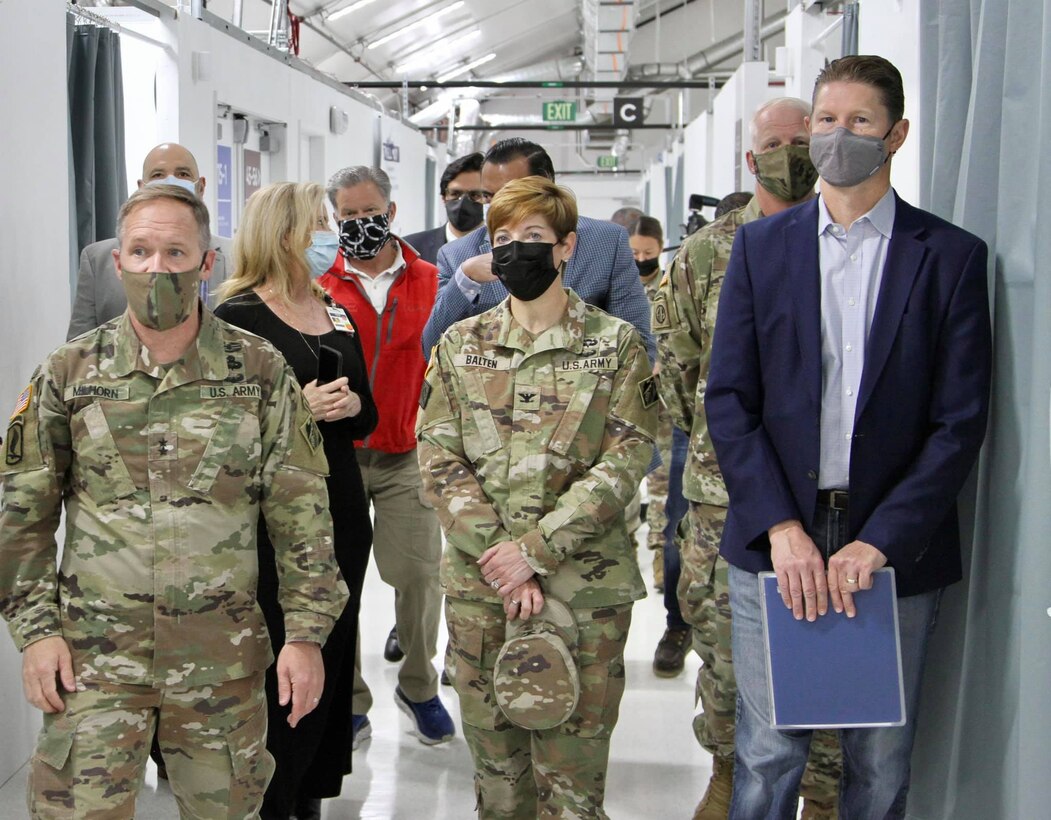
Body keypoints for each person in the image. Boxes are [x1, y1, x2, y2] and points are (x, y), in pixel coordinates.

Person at [0, 184, 348, 818]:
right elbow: (22, 514)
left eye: (175, 252)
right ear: (118, 263)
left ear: (206, 263)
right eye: (140, 251)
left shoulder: (260, 372)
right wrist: (35, 633)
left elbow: (302, 516)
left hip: (222, 661)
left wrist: (305, 635)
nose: (156, 268)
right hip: (95, 662)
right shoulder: (69, 373)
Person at [705, 56, 992, 818]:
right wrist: (782, 529)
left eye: (858, 122)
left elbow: (957, 421)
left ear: (895, 134)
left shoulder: (950, 258)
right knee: (767, 754)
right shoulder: (762, 250)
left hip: (891, 546)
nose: (837, 137)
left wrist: (880, 541)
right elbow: (729, 400)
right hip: (778, 537)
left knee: (881, 756)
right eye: (824, 122)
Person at [417, 176, 658, 817]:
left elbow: (628, 455)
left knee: (574, 784)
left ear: (566, 247)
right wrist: (501, 554)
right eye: (502, 239)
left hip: (584, 589)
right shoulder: (460, 346)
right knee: (498, 782)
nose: (516, 251)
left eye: (533, 238)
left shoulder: (615, 346)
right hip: (482, 590)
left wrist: (537, 550)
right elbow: (439, 458)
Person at [653, 97, 842, 819]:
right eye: (775, 141)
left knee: (827, 642)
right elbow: (675, 370)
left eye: (804, 138)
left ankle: (823, 792)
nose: (790, 152)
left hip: (823, 490)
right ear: (748, 158)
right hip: (722, 495)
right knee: (725, 649)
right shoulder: (706, 254)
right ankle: (728, 770)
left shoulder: (846, 238)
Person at [213, 182, 378, 820]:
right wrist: (293, 414)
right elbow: (217, 432)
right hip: (267, 519)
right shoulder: (235, 318)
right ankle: (268, 792)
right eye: (318, 223)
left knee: (331, 648)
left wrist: (352, 406)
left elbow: (366, 413)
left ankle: (309, 786)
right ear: (282, 233)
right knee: (277, 652)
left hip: (338, 506)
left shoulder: (335, 307)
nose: (329, 235)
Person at [318, 165, 456, 746]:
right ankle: (348, 701)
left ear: (392, 213)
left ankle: (420, 686)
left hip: (408, 453)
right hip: (338, 457)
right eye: (347, 215)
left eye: (369, 212)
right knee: (337, 580)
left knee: (420, 575)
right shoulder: (320, 283)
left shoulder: (430, 279)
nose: (359, 224)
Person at [422, 137, 655, 361]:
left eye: (510, 191)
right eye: (487, 196)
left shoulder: (605, 244)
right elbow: (432, 350)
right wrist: (465, 280)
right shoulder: (458, 256)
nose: (497, 205)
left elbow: (638, 344)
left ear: (546, 184)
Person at [67, 142, 233, 340]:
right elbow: (80, 345)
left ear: (201, 186)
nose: (170, 181)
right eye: (158, 175)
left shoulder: (235, 256)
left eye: (183, 174)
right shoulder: (97, 259)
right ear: (141, 187)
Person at [629, 216, 691, 677]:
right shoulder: (617, 291)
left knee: (669, 502)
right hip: (627, 411)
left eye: (648, 251)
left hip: (671, 413)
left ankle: (664, 576)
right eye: (634, 251)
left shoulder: (674, 284)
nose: (641, 260)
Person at [404, 152, 485, 264]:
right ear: (443, 197)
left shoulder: (504, 250)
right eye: (455, 193)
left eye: (475, 195)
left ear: (489, 198)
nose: (463, 202)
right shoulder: (410, 249)